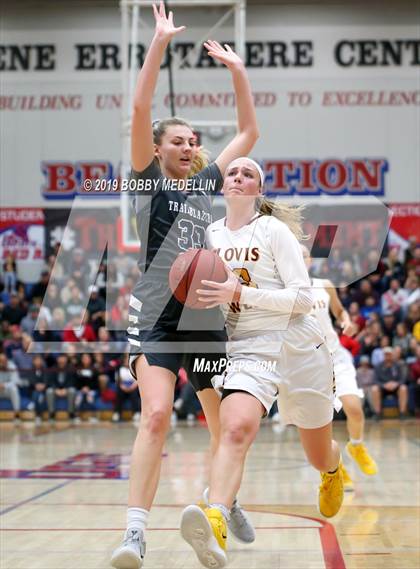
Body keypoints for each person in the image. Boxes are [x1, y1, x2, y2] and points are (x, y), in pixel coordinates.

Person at [111, 4, 259, 569]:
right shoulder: (149, 179)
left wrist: (238, 72)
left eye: (194, 140)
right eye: (179, 140)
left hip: (203, 318)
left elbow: (248, 131)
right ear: (158, 147)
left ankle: (227, 501)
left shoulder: (204, 181)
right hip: (155, 317)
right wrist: (160, 42)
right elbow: (142, 105)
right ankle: (134, 534)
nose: (190, 145)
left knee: (225, 425)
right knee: (155, 415)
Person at [180, 157, 343, 569]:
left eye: (247, 173)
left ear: (259, 188)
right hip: (249, 345)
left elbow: (303, 299)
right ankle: (216, 519)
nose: (237, 177)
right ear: (223, 185)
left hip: (298, 344)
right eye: (232, 172)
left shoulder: (273, 231)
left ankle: (332, 467)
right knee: (234, 429)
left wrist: (241, 293)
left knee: (317, 452)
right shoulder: (209, 236)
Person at [302, 247, 378, 491]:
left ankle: (356, 444)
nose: (301, 258)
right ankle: (337, 465)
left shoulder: (324, 284)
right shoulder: (284, 290)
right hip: (309, 362)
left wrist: (346, 322)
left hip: (336, 355)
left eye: (304, 255)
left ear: (310, 259)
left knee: (354, 408)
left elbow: (338, 311)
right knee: (323, 420)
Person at [371, 347, 408, 419]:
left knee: (403, 388)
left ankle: (402, 413)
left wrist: (396, 384)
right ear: (383, 356)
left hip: (396, 388)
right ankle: (377, 413)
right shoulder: (378, 366)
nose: (387, 357)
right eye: (386, 355)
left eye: (389, 355)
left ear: (392, 355)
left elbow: (403, 379)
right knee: (374, 389)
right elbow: (375, 380)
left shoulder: (398, 365)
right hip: (383, 388)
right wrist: (384, 385)